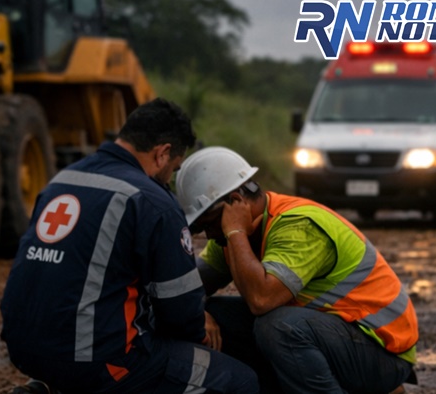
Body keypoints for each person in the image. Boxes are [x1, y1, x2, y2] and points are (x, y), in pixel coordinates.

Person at [0, 99, 259, 394]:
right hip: (96, 360)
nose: (169, 180)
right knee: (239, 381)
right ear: (162, 153)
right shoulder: (152, 201)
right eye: (174, 169)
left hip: (23, 348)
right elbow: (180, 316)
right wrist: (201, 323)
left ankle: (51, 387)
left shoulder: (63, 180)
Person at [176, 146, 419, 394]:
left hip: (383, 351)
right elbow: (186, 287)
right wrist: (200, 311)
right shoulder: (228, 239)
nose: (209, 235)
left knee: (278, 326)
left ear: (236, 203)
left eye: (210, 224)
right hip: (337, 339)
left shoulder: (299, 225)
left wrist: (236, 232)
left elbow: (262, 300)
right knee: (215, 313)